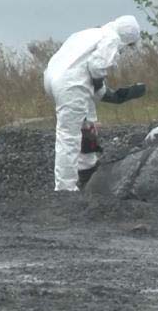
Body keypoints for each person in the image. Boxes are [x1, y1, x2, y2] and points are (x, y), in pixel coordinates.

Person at [43, 15, 147, 191]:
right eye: (128, 46)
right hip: (71, 84)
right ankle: (65, 189)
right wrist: (108, 91)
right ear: (127, 39)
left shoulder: (89, 34)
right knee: (69, 135)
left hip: (54, 78)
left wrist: (117, 96)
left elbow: (89, 78)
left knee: (87, 122)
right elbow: (97, 67)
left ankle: (87, 169)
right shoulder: (112, 39)